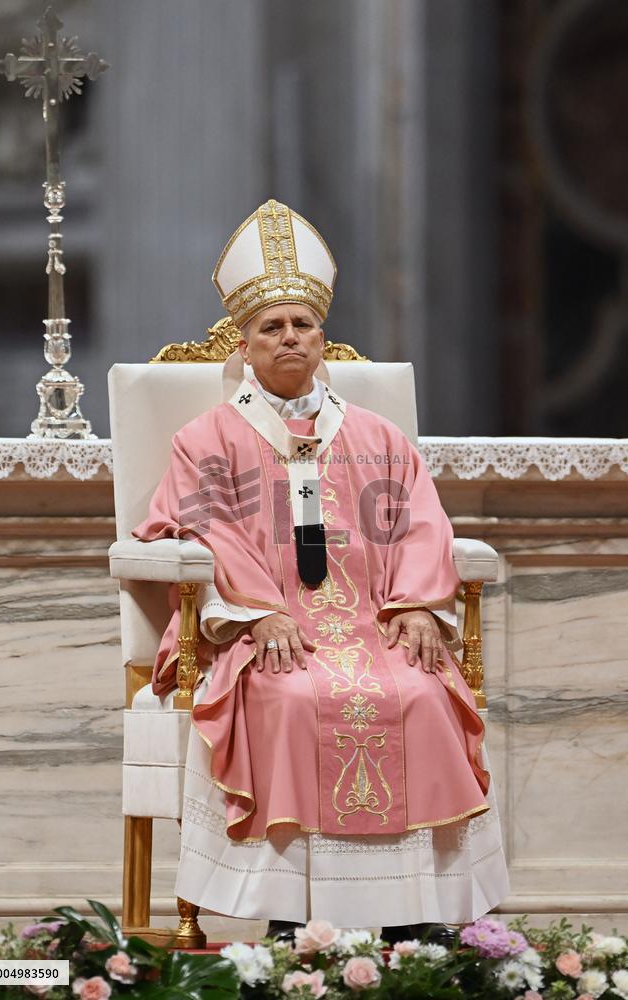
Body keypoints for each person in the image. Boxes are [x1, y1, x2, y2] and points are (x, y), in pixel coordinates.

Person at [132, 198, 510, 940]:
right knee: (290, 700)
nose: (289, 337)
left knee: (422, 694)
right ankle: (289, 918)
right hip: (266, 632)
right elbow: (188, 528)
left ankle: (416, 918)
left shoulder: (377, 436)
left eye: (302, 324)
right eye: (272, 327)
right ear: (242, 344)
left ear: (324, 338)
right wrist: (253, 612)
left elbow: (424, 522)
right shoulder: (207, 439)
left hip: (374, 622)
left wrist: (413, 605)